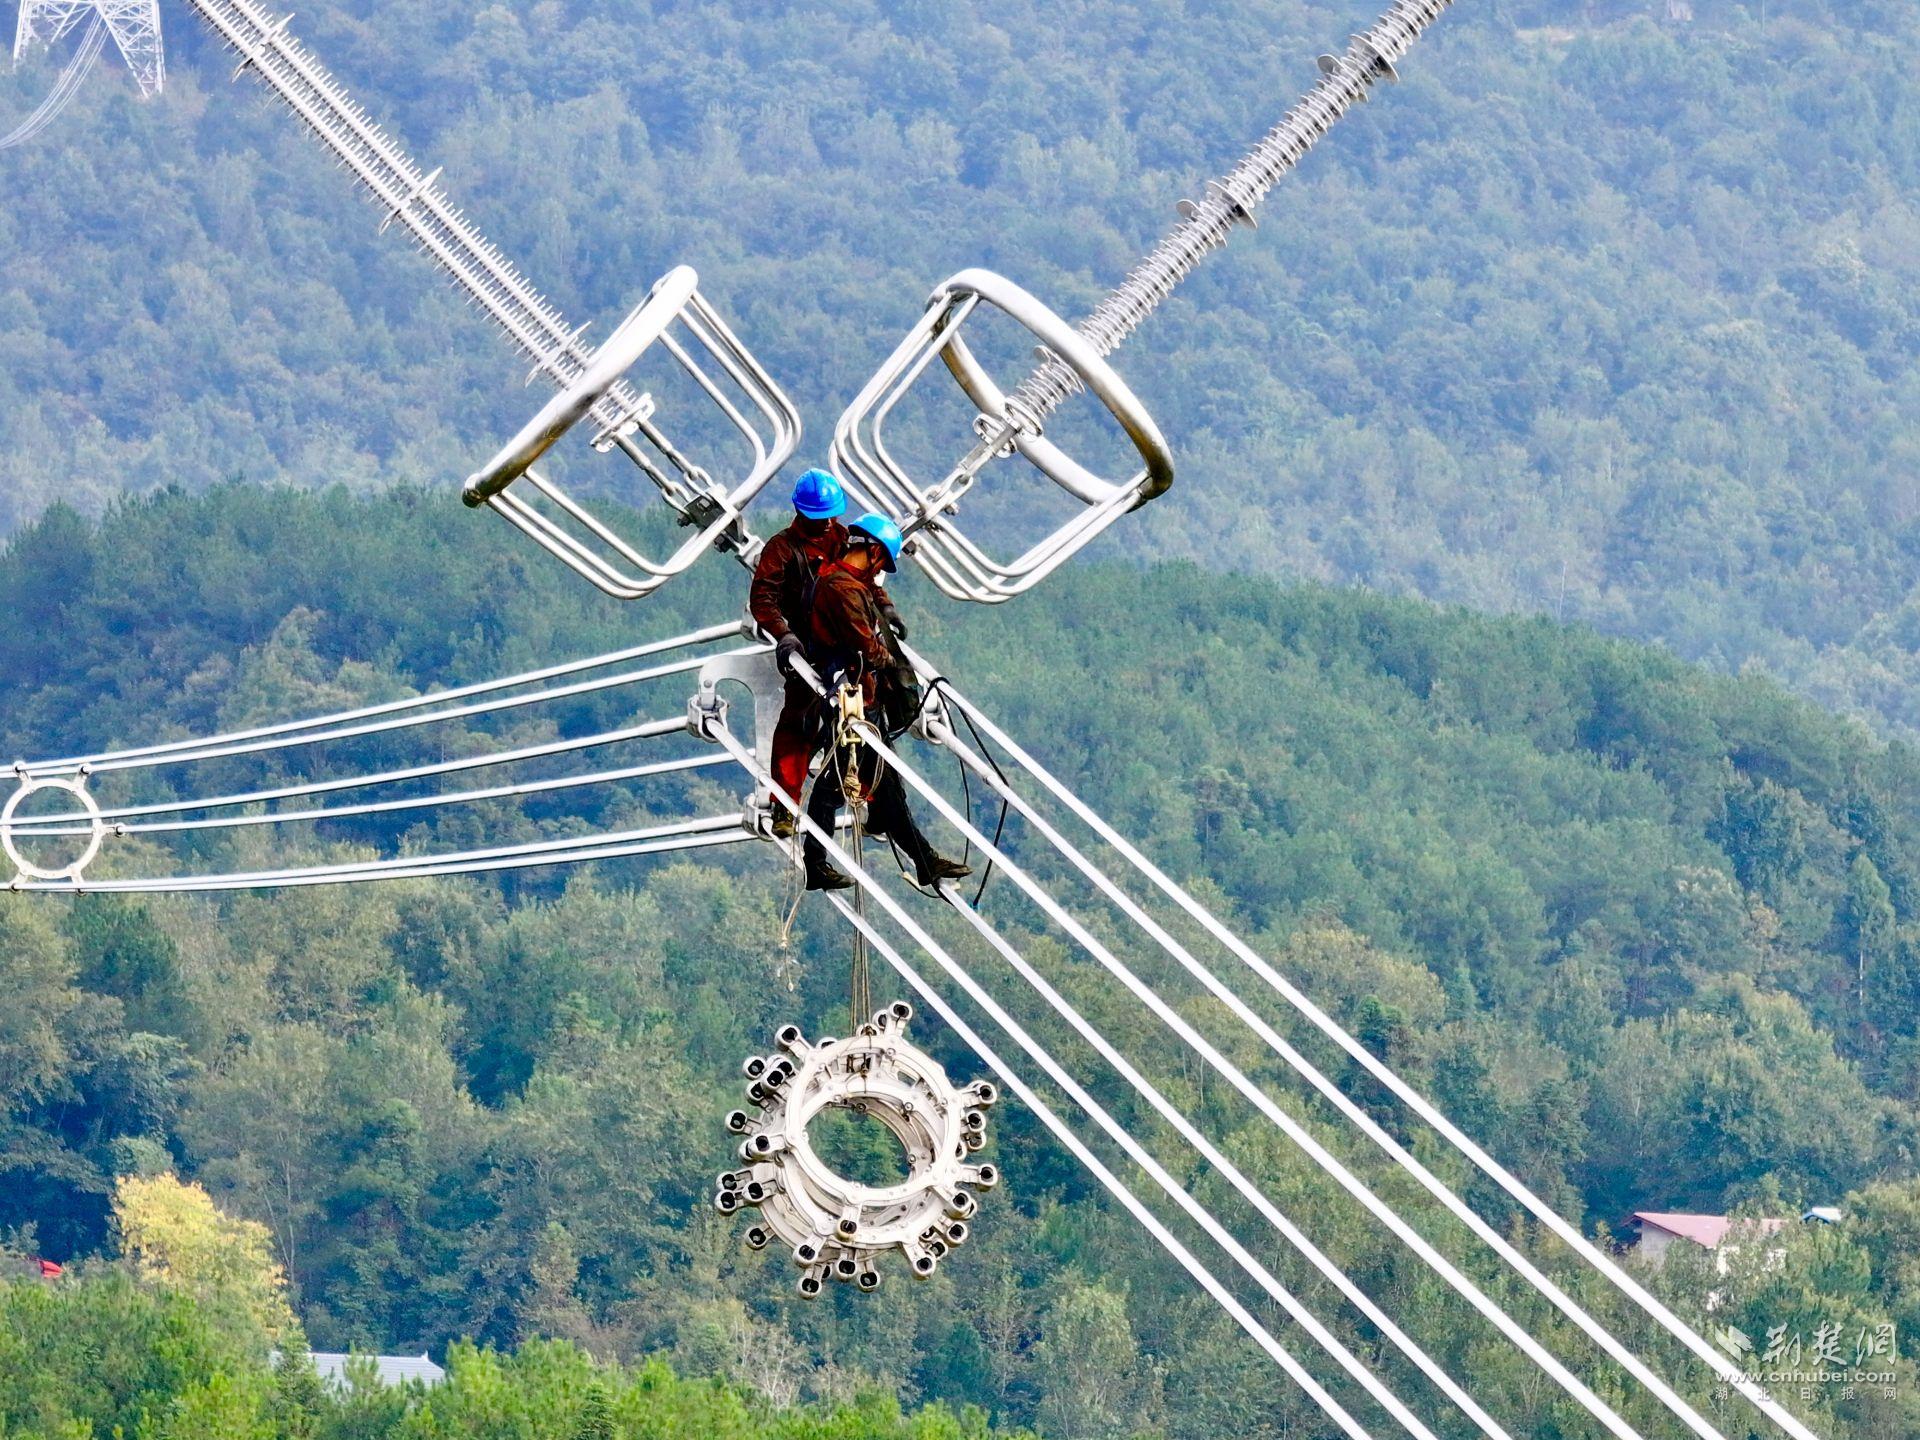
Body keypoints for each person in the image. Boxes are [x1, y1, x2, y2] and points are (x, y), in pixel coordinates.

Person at [799, 512, 971, 893]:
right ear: (873, 552)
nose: (880, 572)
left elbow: (870, 601)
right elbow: (867, 647)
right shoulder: (842, 590)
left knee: (886, 782)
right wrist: (893, 661)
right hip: (854, 702)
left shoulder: (840, 577)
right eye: (881, 562)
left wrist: (886, 611)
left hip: (856, 700)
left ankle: (921, 857)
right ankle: (815, 863)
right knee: (834, 785)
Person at [750, 469, 850, 836]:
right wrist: (784, 634)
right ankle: (784, 806)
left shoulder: (843, 538)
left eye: (830, 515)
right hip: (807, 649)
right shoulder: (782, 549)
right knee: (799, 725)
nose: (826, 523)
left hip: (844, 642)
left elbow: (862, 582)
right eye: (819, 517)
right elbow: (763, 598)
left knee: (861, 718)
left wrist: (883, 609)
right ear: (802, 514)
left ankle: (869, 797)